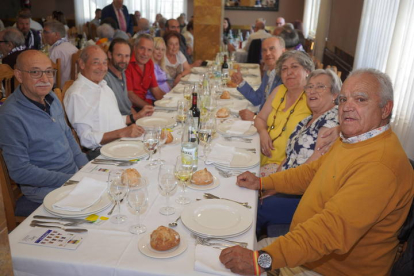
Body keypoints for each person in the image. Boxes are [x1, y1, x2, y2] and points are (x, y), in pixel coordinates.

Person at [219, 68, 414, 276]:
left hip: (330, 269)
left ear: (385, 109)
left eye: (360, 100)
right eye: (343, 99)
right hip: (308, 253)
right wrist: (262, 183)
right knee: (225, 241)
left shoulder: (379, 167)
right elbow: (311, 173)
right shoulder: (354, 139)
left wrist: (261, 260)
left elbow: (329, 232)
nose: (347, 107)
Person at [0, 50, 88, 215]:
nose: (45, 79)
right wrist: (69, 180)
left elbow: (68, 135)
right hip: (45, 191)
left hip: (73, 177)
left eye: (49, 72)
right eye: (35, 72)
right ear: (19, 75)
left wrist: (85, 166)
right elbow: (21, 171)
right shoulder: (10, 115)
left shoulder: (51, 98)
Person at [256, 69, 341, 238]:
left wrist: (277, 188)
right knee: (252, 195)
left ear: (334, 95)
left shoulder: (331, 123)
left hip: (304, 196)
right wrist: (274, 186)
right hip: (288, 185)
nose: (312, 91)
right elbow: (288, 157)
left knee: (257, 209)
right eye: (309, 87)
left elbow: (311, 168)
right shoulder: (306, 121)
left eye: (320, 87)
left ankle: (246, 255)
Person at [64, 45, 151, 155]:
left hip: (122, 143)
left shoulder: (103, 85)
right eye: (96, 63)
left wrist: (135, 117)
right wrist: (122, 133)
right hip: (101, 152)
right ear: (82, 64)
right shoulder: (77, 94)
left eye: (104, 63)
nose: (102, 68)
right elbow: (86, 139)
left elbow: (109, 120)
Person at [256, 51, 314, 176]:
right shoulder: (279, 90)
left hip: (285, 166)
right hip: (260, 156)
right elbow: (260, 118)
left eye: (294, 67)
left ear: (307, 71)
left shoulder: (312, 99)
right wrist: (263, 132)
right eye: (284, 69)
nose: (289, 72)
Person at [231, 36, 285, 121]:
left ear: (283, 51)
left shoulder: (285, 78)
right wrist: (241, 82)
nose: (267, 53)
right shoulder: (269, 73)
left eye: (272, 49)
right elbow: (258, 99)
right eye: (264, 50)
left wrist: (255, 117)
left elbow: (281, 116)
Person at [125, 34, 166, 108]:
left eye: (149, 50)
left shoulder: (149, 63)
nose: (145, 53)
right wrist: (150, 108)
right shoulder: (127, 64)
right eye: (142, 48)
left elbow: (156, 90)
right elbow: (130, 95)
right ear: (135, 48)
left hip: (145, 103)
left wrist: (170, 101)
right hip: (132, 108)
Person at [43, 21, 78, 89]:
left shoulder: (57, 50)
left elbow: (51, 78)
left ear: (56, 34)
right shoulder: (72, 46)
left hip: (61, 89)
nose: (43, 35)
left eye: (46, 32)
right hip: (74, 87)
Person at [105, 38, 133, 116]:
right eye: (119, 55)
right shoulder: (105, 79)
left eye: (127, 56)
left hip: (129, 119)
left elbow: (127, 107)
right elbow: (110, 115)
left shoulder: (122, 72)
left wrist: (139, 116)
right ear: (110, 55)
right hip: (120, 124)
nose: (123, 60)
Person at [146, 37, 170, 102]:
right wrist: (170, 99)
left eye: (162, 50)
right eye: (157, 49)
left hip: (164, 98)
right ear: (152, 50)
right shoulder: (149, 66)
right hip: (155, 100)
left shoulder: (160, 65)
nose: (160, 52)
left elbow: (165, 82)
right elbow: (155, 93)